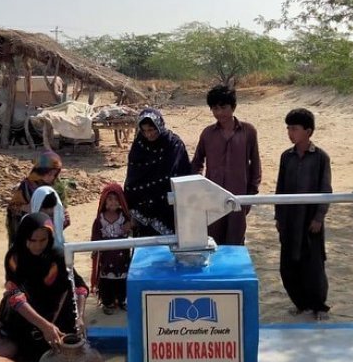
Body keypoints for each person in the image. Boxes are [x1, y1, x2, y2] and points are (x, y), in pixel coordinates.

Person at [0, 213, 89, 362]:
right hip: (26, 314)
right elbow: (15, 295)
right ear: (23, 237)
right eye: (32, 240)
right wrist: (44, 326)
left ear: (50, 237)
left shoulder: (58, 256)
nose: (38, 245)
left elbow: (79, 286)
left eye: (43, 240)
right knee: (10, 300)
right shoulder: (15, 257)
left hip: (55, 311)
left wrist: (80, 317)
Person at [274, 108, 332, 321]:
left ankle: (318, 306)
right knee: (288, 265)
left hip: (309, 220)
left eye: (294, 129)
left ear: (308, 131)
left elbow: (326, 189)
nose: (290, 132)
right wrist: (278, 217)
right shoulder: (286, 157)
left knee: (313, 265)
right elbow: (279, 189)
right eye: (288, 128)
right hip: (289, 219)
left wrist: (319, 217)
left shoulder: (320, 157)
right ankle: (301, 303)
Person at [191, 84, 261, 245]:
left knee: (235, 242)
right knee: (212, 242)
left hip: (238, 197)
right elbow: (197, 162)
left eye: (223, 107)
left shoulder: (248, 131)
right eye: (215, 108)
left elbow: (255, 164)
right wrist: (199, 188)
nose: (219, 113)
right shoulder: (207, 133)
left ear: (233, 107)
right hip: (212, 198)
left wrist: (250, 196)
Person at [124, 108, 192, 237]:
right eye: (144, 131)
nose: (148, 135)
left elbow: (175, 174)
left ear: (159, 125)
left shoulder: (173, 144)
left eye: (151, 129)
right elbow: (133, 177)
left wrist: (155, 198)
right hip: (142, 207)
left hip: (168, 207)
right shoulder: (139, 145)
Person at [90, 183, 134, 314]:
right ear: (104, 201)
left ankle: (121, 300)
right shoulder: (99, 220)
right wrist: (95, 251)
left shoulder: (124, 218)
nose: (113, 202)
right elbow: (95, 237)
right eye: (110, 199)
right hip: (106, 257)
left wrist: (131, 225)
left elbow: (134, 231)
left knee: (122, 278)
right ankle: (107, 302)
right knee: (106, 280)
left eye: (116, 199)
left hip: (122, 258)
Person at [6, 150, 63, 248]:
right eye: (49, 174)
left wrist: (62, 214)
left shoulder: (56, 186)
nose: (52, 177)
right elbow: (13, 207)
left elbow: (62, 206)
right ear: (40, 171)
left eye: (55, 174)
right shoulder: (27, 186)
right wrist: (26, 208)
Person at [29, 185, 70, 253]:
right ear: (37, 205)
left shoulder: (57, 218)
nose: (49, 211)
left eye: (51, 207)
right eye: (45, 208)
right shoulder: (27, 223)